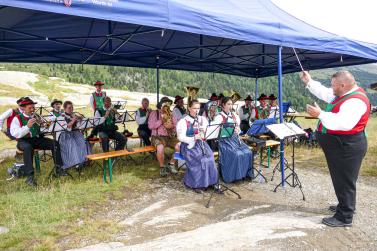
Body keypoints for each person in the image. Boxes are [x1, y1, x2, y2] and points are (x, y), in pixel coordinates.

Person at [300, 70, 370, 227]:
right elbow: (324, 93)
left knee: (344, 180)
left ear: (343, 85)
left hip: (347, 145)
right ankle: (345, 205)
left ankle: (345, 217)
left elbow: (343, 123)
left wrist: (320, 114)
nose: (331, 88)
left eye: (333, 85)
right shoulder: (344, 93)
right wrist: (309, 81)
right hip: (342, 144)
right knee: (342, 178)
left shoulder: (356, 101)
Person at [10, 97, 64, 186]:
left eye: (33, 107)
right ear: (23, 108)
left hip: (37, 139)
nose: (32, 109)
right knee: (28, 147)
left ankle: (58, 169)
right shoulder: (17, 118)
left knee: (54, 143)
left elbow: (41, 130)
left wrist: (45, 126)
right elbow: (15, 133)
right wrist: (27, 127)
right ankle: (30, 177)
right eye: (30, 108)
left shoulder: (36, 116)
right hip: (23, 141)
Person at [177, 99, 218, 192]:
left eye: (198, 108)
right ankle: (196, 184)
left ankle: (211, 182)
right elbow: (180, 137)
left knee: (210, 157)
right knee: (199, 159)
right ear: (189, 108)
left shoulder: (202, 119)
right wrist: (194, 137)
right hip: (188, 146)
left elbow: (208, 133)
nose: (197, 110)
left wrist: (205, 133)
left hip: (201, 144)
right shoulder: (183, 121)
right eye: (194, 108)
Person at [213, 97, 253, 183]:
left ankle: (244, 174)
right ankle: (234, 177)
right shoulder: (219, 117)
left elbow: (238, 128)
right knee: (237, 154)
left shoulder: (234, 116)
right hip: (224, 141)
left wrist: (238, 130)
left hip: (235, 139)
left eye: (231, 104)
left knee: (248, 152)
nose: (230, 106)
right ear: (223, 105)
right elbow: (215, 133)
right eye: (228, 104)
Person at [148, 97, 180, 176]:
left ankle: (171, 164)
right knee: (160, 147)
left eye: (168, 104)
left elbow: (176, 125)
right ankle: (162, 167)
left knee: (180, 146)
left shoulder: (171, 113)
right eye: (165, 104)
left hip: (169, 136)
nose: (167, 106)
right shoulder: (154, 113)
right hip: (157, 136)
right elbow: (150, 126)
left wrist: (172, 126)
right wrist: (161, 121)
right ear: (161, 105)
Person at [58, 101, 91, 170]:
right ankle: (76, 164)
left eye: (72, 107)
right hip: (65, 135)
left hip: (75, 133)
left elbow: (79, 127)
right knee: (73, 144)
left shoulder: (73, 115)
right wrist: (73, 121)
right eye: (69, 108)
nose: (71, 109)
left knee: (84, 142)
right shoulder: (61, 117)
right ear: (64, 108)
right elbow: (66, 128)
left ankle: (85, 161)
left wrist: (81, 121)